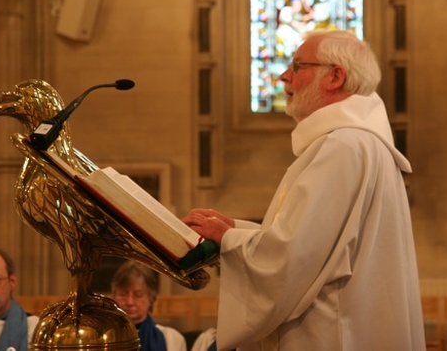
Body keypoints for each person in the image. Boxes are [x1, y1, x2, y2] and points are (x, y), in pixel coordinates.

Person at [183, 29, 426, 350]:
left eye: (298, 66)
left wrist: (227, 239)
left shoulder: (343, 145)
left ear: (335, 76)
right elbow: (313, 243)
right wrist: (235, 229)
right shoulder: (359, 143)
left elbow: (294, 256)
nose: (285, 76)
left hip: (332, 334)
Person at [111, 260, 187, 351]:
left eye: (138, 295)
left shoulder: (173, 340)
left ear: (151, 298)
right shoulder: (100, 338)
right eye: (123, 294)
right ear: (113, 296)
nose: (130, 302)